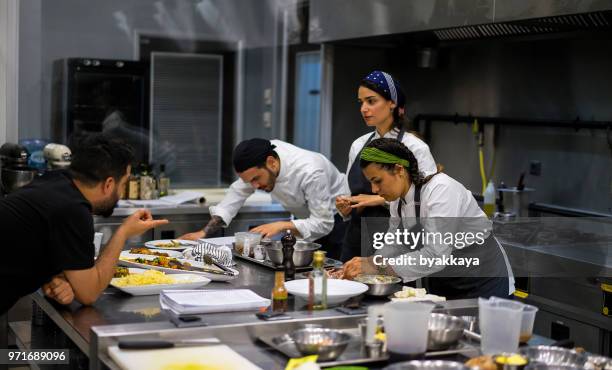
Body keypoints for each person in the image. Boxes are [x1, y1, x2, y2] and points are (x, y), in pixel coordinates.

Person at [0, 134, 168, 314]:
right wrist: (123, 232)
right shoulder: (72, 209)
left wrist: (56, 277)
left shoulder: (56, 181)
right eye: (124, 183)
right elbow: (89, 294)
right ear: (109, 184)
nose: (121, 192)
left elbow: (37, 243)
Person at [342, 138, 515, 299]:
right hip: (446, 280)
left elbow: (435, 255)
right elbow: (397, 243)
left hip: (483, 280)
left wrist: (376, 267)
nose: (373, 189)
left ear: (399, 170)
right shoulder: (398, 200)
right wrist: (371, 263)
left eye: (377, 181)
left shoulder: (441, 191)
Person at [180, 138, 348, 259]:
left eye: (256, 179)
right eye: (248, 181)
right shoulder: (261, 161)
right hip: (305, 219)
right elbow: (236, 193)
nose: (254, 186)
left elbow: (324, 223)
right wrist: (203, 233)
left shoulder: (310, 172)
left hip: (338, 219)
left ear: (272, 163)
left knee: (330, 273)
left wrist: (281, 225)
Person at [336, 70, 438, 261]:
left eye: (371, 101)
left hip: (395, 238)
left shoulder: (415, 147)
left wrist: (377, 200)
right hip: (356, 238)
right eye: (361, 102)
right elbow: (350, 193)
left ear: (392, 103)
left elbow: (426, 202)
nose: (363, 109)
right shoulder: (358, 145)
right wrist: (347, 207)